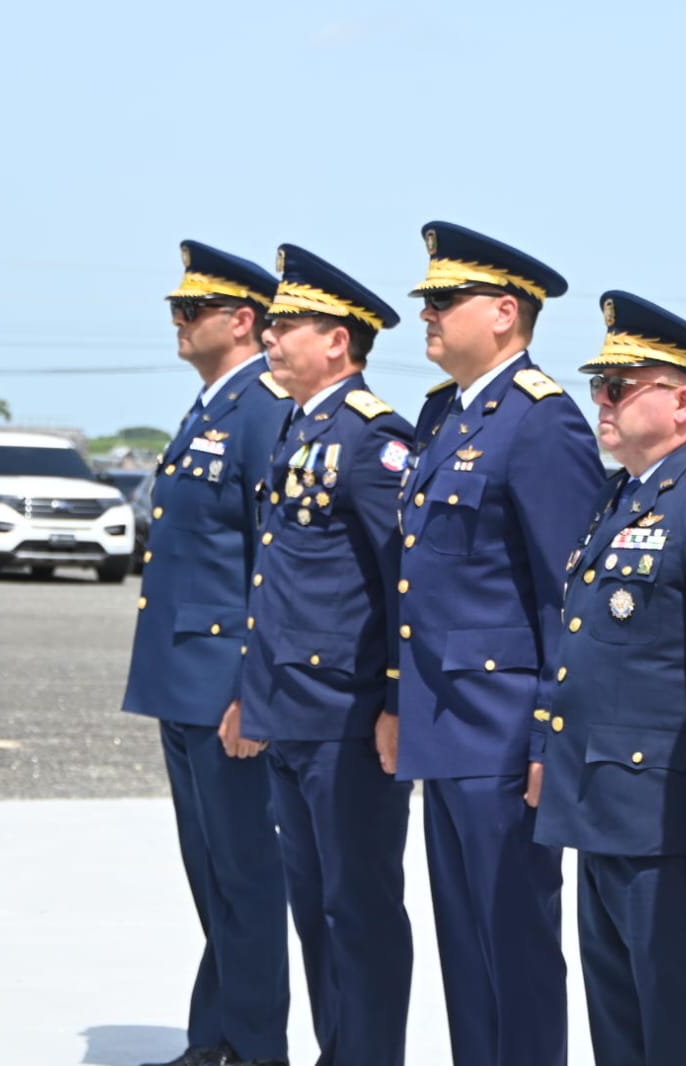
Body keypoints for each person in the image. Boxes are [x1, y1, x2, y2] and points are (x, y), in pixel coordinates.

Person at [533, 291, 686, 1065]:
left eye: (618, 386)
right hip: (609, 809)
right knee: (620, 1030)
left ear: (683, 402)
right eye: (598, 384)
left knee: (676, 1032)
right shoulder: (622, 497)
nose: (599, 399)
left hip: (674, 825)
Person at [394, 222, 604, 1066]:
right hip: (445, 724)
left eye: (445, 299)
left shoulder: (541, 421)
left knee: (513, 945)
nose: (428, 314)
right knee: (465, 948)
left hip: (504, 732)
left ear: (505, 312)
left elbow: (568, 600)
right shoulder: (443, 414)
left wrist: (550, 738)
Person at [239, 245, 415, 1066]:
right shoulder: (298, 427)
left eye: (287, 326)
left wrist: (395, 703)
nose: (270, 338)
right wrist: (253, 694)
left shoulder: (372, 439)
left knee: (359, 908)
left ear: (337, 341)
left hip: (348, 715)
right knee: (312, 908)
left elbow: (401, 583)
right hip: (291, 708)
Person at [121, 242, 292, 1066]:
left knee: (246, 873)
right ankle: (215, 1035)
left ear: (243, 321)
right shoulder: (208, 409)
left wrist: (254, 689)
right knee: (212, 873)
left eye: (192, 311)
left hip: (225, 684)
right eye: (176, 309)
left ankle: (254, 1048)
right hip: (183, 677)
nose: (179, 323)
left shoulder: (262, 409)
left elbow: (274, 562)